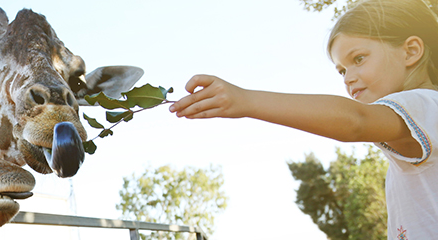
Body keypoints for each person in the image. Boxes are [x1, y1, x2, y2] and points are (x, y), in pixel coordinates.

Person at [168, 0, 438, 239]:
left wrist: (245, 100)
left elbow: (355, 120)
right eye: (341, 70)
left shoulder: (425, 103)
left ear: (411, 51)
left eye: (358, 58)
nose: (348, 78)